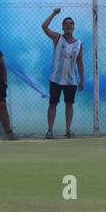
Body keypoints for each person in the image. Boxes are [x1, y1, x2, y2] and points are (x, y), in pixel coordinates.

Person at [41, 8, 85, 138]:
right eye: (66, 23)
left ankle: (68, 131)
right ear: (62, 27)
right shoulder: (57, 38)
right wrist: (54, 13)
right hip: (55, 78)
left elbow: (80, 62)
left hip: (71, 80)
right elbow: (44, 26)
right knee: (53, 103)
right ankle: (49, 131)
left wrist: (82, 80)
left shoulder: (79, 44)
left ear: (74, 27)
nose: (68, 25)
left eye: (71, 24)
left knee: (69, 104)